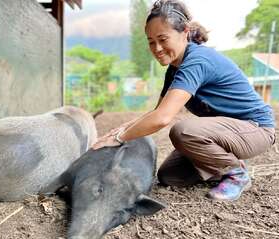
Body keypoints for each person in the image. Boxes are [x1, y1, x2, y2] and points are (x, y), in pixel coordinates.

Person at [92, 0, 276, 201]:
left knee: (183, 131)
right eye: (151, 41)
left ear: (185, 32)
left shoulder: (197, 61)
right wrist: (118, 130)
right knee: (170, 176)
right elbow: (156, 112)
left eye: (163, 39)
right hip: (225, 133)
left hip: (255, 128)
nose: (157, 48)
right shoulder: (174, 69)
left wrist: (119, 139)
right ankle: (222, 164)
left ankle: (236, 174)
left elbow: (162, 118)